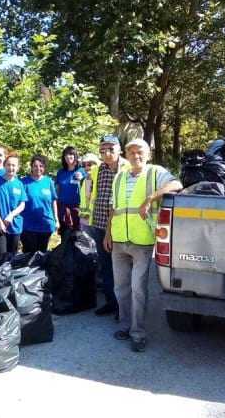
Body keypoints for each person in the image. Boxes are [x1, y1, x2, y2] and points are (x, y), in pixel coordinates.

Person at [105, 139, 182, 352]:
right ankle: (125, 324)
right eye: (131, 152)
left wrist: (150, 198)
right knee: (120, 288)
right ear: (126, 155)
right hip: (120, 240)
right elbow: (114, 208)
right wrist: (108, 233)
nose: (135, 156)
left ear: (147, 154)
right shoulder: (120, 176)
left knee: (138, 288)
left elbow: (176, 185)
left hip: (143, 241)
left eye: (139, 152)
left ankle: (138, 333)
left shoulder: (155, 172)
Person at [88, 135, 130, 317]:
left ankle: (124, 307)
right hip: (99, 224)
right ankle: (111, 302)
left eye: (111, 149)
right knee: (105, 266)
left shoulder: (128, 168)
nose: (107, 153)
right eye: (103, 150)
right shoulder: (98, 169)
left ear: (119, 150)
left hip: (120, 226)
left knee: (121, 268)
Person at [0, 153, 28, 258]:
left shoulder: (19, 184)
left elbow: (22, 204)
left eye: (14, 165)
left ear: (18, 167)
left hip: (15, 226)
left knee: (12, 258)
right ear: (4, 165)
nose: (11, 168)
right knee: (1, 257)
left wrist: (11, 215)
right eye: (9, 165)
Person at [21, 155, 59, 253]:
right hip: (28, 226)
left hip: (46, 225)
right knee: (28, 255)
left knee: (42, 255)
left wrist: (56, 219)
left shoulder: (49, 181)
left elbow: (53, 201)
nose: (38, 168)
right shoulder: (24, 182)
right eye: (35, 166)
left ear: (44, 167)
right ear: (31, 167)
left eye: (41, 166)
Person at [56, 146, 86, 237]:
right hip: (62, 207)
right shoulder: (61, 172)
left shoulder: (81, 171)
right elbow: (57, 189)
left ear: (75, 156)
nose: (68, 157)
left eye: (71, 154)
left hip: (76, 207)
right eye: (66, 155)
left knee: (77, 234)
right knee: (64, 234)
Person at [78, 152, 101, 230]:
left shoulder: (101, 179)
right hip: (84, 221)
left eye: (89, 164)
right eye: (84, 165)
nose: (86, 167)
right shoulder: (84, 181)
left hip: (98, 221)